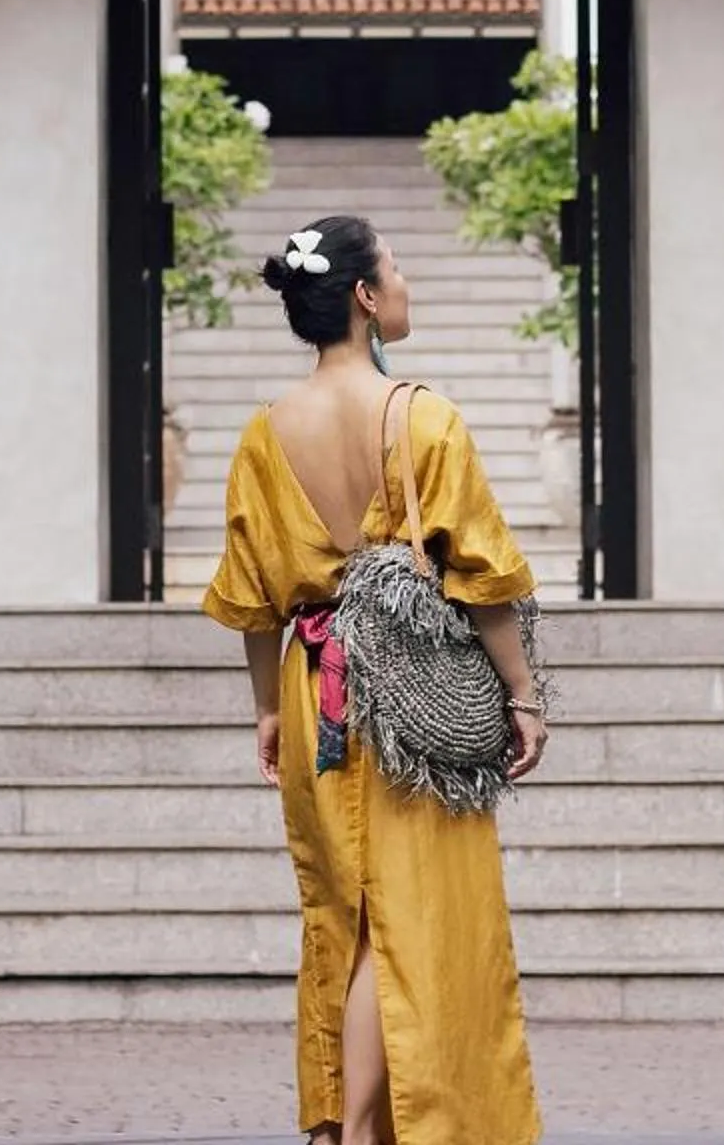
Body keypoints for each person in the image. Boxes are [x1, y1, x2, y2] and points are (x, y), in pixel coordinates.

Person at [201, 214, 547, 1145]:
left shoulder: (264, 434)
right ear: (364, 297)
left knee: (342, 910)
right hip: (410, 706)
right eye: (394, 267)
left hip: (319, 694)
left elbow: (254, 596)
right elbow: (483, 575)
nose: (405, 280)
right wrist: (521, 696)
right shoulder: (421, 415)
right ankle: (362, 1130)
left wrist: (268, 711)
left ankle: (336, 1120)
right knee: (417, 917)